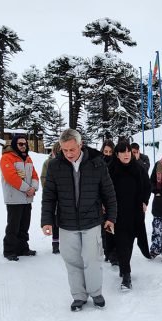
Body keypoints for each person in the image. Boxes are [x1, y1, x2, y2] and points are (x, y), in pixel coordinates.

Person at [41, 129, 117, 311]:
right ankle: (79, 296)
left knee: (93, 259)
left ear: (80, 145)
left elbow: (109, 193)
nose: (68, 154)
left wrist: (111, 218)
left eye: (72, 150)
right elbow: (49, 196)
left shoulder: (96, 163)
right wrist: (46, 220)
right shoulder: (54, 165)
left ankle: (96, 292)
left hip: (91, 221)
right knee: (72, 261)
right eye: (64, 150)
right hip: (67, 223)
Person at [108, 142, 151, 290]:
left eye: (128, 151)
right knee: (121, 242)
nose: (126, 154)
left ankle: (124, 266)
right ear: (117, 154)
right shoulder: (111, 170)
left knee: (130, 242)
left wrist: (145, 201)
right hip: (117, 213)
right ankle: (126, 275)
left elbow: (147, 186)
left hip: (135, 213)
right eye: (122, 152)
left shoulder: (138, 168)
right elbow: (103, 189)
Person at [0, 134, 39, 261]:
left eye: (25, 144)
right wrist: (28, 189)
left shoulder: (27, 158)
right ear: (14, 144)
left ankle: (23, 248)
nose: (23, 146)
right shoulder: (7, 158)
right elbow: (11, 177)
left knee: (24, 225)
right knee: (13, 226)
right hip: (14, 198)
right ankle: (9, 250)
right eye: (20, 144)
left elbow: (34, 175)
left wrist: (34, 188)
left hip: (27, 199)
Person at [40, 142, 61, 254]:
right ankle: (55, 243)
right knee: (55, 219)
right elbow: (43, 178)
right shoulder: (48, 163)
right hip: (53, 195)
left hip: (64, 196)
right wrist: (50, 189)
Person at [100, 138, 117, 265]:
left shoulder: (116, 165)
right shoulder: (98, 163)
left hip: (114, 200)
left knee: (113, 228)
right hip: (101, 201)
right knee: (104, 229)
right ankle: (107, 252)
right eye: (105, 151)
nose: (107, 154)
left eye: (110, 152)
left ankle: (114, 254)